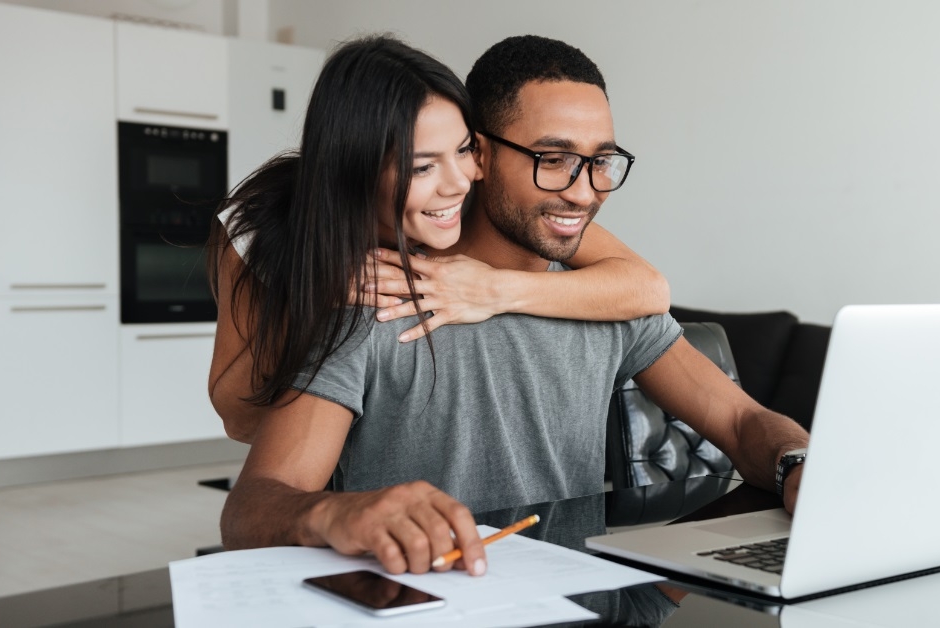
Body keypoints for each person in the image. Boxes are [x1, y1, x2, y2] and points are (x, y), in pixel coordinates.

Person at [220, 35, 810, 580]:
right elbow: (254, 502)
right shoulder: (376, 295)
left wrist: (797, 464)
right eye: (551, 158)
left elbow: (741, 421)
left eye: (600, 160)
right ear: (483, 154)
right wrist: (334, 513)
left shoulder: (603, 302)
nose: (584, 191)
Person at [208, 35, 670, 444]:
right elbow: (239, 421)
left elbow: (647, 288)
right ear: (359, 170)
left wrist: (491, 289)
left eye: (465, 148)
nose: (460, 181)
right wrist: (318, 293)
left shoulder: (474, 194)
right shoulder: (261, 228)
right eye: (422, 166)